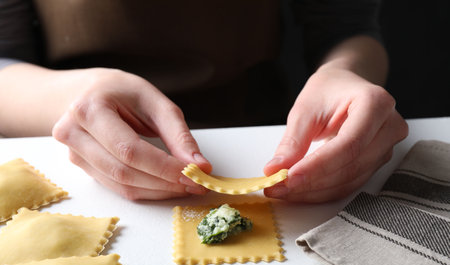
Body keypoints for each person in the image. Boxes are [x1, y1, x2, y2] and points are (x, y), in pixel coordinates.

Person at [0, 0, 408, 202]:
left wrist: (345, 73)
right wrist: (73, 99)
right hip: (80, 159)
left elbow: (348, 28)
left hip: (270, 136)